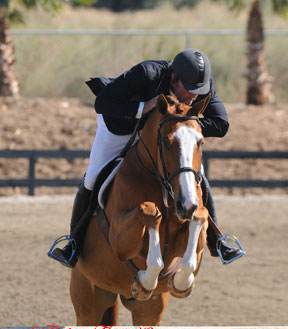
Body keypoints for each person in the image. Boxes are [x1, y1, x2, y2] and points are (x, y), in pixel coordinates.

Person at [48, 48, 245, 268]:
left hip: (165, 134)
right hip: (121, 126)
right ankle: (73, 243)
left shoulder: (201, 85)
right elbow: (102, 103)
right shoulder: (147, 73)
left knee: (195, 174)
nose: (194, 96)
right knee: (93, 177)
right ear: (174, 78)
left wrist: (183, 126)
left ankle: (217, 240)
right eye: (188, 89)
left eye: (198, 90)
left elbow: (221, 124)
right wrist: (144, 108)